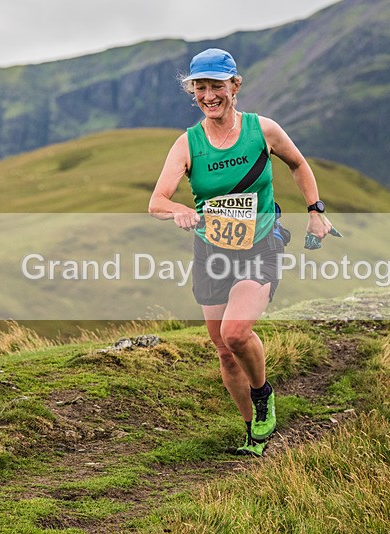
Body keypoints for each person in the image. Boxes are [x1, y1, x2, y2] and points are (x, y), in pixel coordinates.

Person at [149, 48, 331, 456]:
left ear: (235, 85)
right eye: (200, 87)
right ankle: (254, 432)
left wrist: (315, 213)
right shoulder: (187, 144)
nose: (209, 95)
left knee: (236, 333)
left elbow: (298, 165)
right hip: (212, 251)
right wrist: (178, 209)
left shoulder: (262, 130)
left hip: (261, 245)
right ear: (192, 90)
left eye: (217, 86)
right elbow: (156, 201)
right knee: (224, 350)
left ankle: (263, 393)